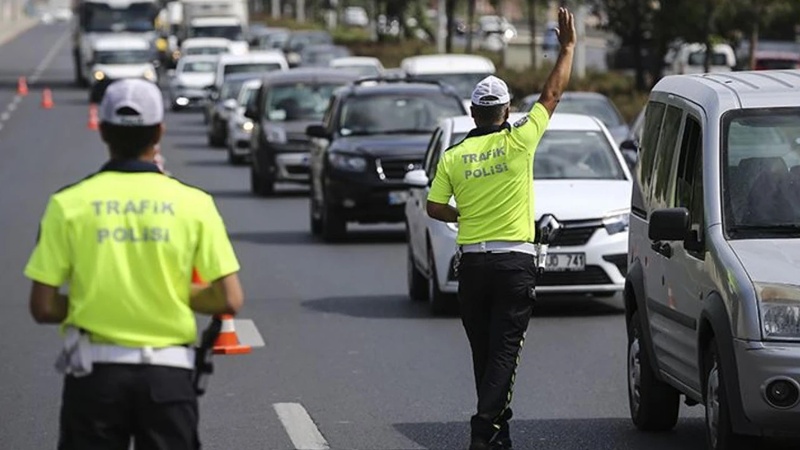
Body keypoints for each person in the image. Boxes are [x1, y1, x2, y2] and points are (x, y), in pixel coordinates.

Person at [24, 79, 244, 450]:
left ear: (103, 130)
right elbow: (228, 298)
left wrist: (94, 298)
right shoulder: (195, 204)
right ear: (159, 131)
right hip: (168, 378)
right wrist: (168, 293)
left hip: (94, 376)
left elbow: (43, 307)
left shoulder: (68, 204)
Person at [425, 8, 577, 450]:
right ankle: (482, 429)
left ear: (473, 112)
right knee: (504, 354)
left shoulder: (453, 156)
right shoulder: (520, 140)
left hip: (472, 266)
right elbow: (551, 94)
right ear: (507, 110)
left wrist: (464, 216)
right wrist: (567, 48)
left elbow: (434, 207)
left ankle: (497, 435)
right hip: (515, 264)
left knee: (484, 354)